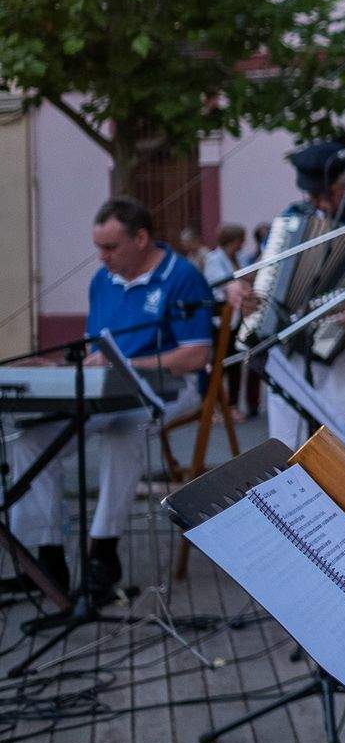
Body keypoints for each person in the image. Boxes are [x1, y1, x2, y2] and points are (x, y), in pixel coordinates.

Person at [3, 197, 211, 603]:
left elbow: (196, 355)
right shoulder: (102, 280)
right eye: (98, 247)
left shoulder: (182, 276)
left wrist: (127, 363)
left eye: (111, 248)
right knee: (30, 437)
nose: (102, 257)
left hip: (169, 387)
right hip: (107, 390)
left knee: (124, 429)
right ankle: (45, 561)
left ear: (141, 238)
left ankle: (104, 552)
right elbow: (96, 348)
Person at [225, 143, 345, 457]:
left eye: (330, 193)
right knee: (286, 446)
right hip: (291, 344)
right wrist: (240, 289)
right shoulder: (290, 221)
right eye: (314, 196)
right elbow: (263, 273)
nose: (322, 204)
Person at [201, 224, 244, 293]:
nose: (243, 243)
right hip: (220, 300)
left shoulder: (239, 257)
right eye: (241, 240)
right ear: (233, 241)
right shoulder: (213, 258)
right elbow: (221, 282)